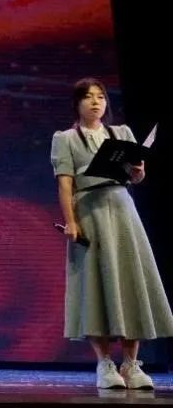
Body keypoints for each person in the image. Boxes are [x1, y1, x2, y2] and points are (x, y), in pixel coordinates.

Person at [50, 77, 172, 390]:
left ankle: (131, 364)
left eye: (101, 97)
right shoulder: (66, 138)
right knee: (95, 286)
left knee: (130, 282)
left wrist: (138, 172)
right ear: (77, 103)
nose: (96, 102)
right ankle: (104, 364)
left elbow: (135, 177)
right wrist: (71, 221)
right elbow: (65, 184)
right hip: (89, 212)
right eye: (89, 97)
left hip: (121, 209)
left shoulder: (121, 133)